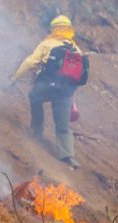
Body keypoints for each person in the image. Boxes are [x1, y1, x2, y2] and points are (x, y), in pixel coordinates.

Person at [9, 15, 86, 169]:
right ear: (69, 30)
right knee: (63, 125)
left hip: (47, 86)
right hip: (65, 91)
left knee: (34, 97)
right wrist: (71, 96)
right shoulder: (77, 49)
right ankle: (68, 155)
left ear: (53, 29)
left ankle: (37, 131)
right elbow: (77, 76)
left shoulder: (47, 44)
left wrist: (14, 78)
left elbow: (31, 62)